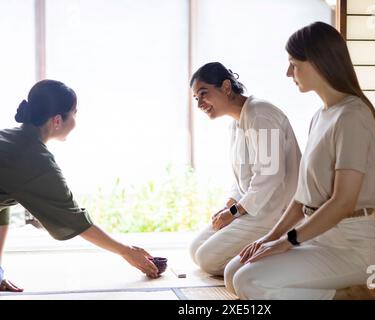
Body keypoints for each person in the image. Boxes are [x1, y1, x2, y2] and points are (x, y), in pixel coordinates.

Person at [224, 22, 375, 300]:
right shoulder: (320, 116)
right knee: (234, 272)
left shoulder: (354, 115)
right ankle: (342, 289)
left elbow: (344, 201)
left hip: (354, 247)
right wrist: (270, 238)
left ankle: (350, 296)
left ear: (318, 62)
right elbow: (301, 199)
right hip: (317, 238)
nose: (288, 72)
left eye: (294, 63)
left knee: (249, 283)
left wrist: (289, 242)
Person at [0, 80, 159, 292]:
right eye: (75, 113)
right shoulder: (34, 160)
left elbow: (2, 209)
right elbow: (76, 221)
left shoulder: (11, 140)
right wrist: (127, 252)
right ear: (57, 120)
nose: (76, 119)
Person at [189, 62, 301, 276]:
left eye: (203, 94)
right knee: (195, 250)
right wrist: (229, 206)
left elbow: (271, 175)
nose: (200, 104)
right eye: (196, 98)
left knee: (207, 260)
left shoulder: (261, 113)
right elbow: (242, 179)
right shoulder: (236, 122)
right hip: (251, 208)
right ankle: (257, 255)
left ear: (226, 87)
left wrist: (234, 212)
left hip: (274, 211)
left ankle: (287, 259)